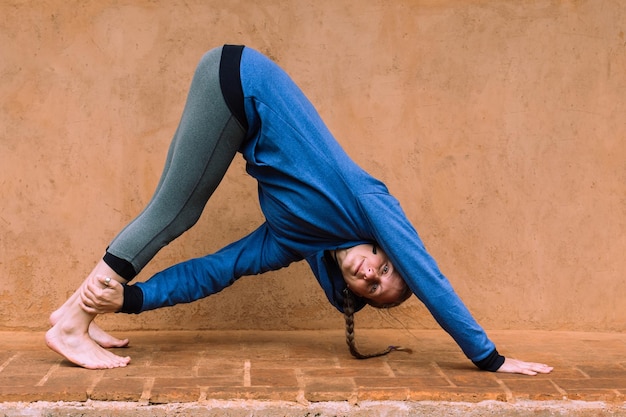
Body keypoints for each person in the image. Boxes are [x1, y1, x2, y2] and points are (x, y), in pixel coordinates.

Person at [46, 44, 553, 375]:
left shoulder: (293, 242)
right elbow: (428, 274)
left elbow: (216, 271)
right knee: (176, 211)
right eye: (385, 266)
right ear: (383, 245)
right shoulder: (368, 201)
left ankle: (76, 315)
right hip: (242, 83)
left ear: (350, 293)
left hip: (234, 89)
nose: (372, 272)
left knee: (174, 208)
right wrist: (487, 357)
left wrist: (134, 301)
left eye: (372, 287)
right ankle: (72, 324)